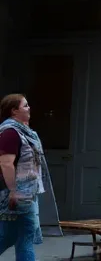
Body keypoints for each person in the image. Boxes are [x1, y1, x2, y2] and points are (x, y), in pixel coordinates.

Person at [0, 95, 44, 261]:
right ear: (14, 111)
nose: (29, 108)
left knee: (16, 237)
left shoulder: (23, 132)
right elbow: (6, 163)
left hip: (26, 193)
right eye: (25, 105)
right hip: (17, 195)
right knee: (21, 237)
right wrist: (13, 191)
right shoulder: (10, 133)